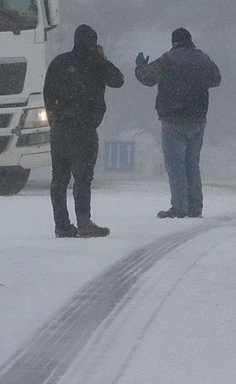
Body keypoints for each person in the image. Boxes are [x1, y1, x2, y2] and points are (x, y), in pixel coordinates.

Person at [43, 24, 124, 238]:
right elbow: (118, 80)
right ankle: (84, 222)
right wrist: (102, 59)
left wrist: (53, 117)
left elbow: (47, 93)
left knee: (58, 179)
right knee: (82, 179)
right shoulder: (97, 63)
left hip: (59, 129)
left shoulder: (59, 62)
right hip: (84, 130)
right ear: (93, 43)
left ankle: (61, 225)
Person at [135, 28, 221, 218]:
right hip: (198, 119)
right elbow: (216, 79)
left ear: (173, 42)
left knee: (175, 165)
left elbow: (148, 78)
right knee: (192, 163)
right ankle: (195, 207)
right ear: (191, 40)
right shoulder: (203, 59)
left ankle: (179, 207)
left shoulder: (169, 59)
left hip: (173, 119)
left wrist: (140, 66)